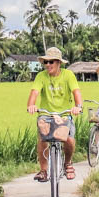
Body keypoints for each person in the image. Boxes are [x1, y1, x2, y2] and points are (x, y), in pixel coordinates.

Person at [27, 47, 82, 181]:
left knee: (69, 139)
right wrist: (31, 105)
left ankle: (68, 163)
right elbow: (34, 92)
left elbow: (76, 92)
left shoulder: (68, 75)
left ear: (58, 63)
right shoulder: (41, 76)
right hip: (46, 114)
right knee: (42, 138)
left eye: (51, 62)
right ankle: (43, 170)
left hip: (64, 114)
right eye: (46, 62)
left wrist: (78, 107)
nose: (48, 65)